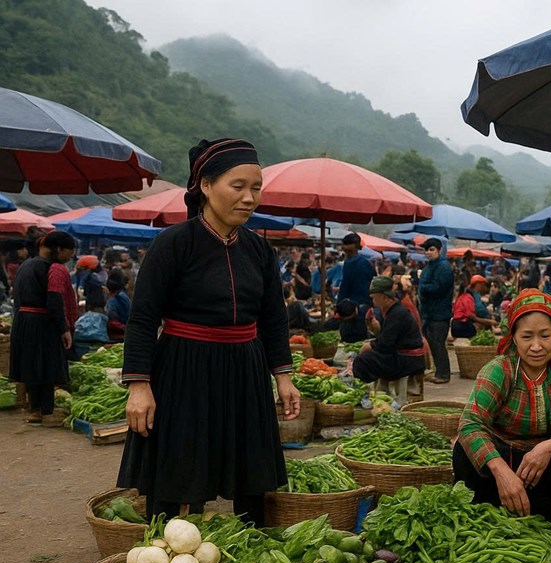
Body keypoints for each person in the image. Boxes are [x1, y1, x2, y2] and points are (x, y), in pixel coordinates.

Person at [117, 138, 300, 524]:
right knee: (179, 464)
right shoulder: (173, 244)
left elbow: (273, 318)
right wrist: (138, 384)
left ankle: (254, 546)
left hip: (245, 368)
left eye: (256, 188)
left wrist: (283, 376)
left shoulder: (258, 250)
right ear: (204, 185)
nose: (250, 198)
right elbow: (143, 317)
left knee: (250, 467)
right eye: (238, 186)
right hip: (184, 366)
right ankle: (166, 549)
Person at [455, 289, 551, 532]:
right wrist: (500, 470)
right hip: (507, 459)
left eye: (545, 336)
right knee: (463, 451)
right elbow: (470, 424)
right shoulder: (499, 369)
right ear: (513, 337)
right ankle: (487, 521)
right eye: (527, 336)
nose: (536, 346)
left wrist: (549, 446)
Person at [8, 232, 78, 426]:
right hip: (42, 320)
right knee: (45, 365)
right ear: (58, 249)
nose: (69, 257)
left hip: (23, 319)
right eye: (69, 252)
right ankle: (43, 411)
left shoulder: (26, 265)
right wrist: (64, 328)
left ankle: (35, 409)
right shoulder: (52, 269)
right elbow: (55, 301)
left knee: (32, 364)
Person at [353, 276, 426, 384]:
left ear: (385, 297)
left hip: (408, 360)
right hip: (404, 356)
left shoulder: (397, 313)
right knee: (367, 357)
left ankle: (364, 392)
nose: (373, 301)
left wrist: (371, 345)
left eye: (374, 298)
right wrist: (377, 330)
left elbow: (385, 345)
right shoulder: (392, 311)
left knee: (361, 361)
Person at [418, 237, 454, 384]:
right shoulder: (429, 266)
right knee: (433, 343)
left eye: (431, 249)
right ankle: (439, 371)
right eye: (426, 250)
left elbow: (439, 288)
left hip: (440, 313)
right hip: (428, 313)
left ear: (440, 250)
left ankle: (444, 374)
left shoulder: (443, 267)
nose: (428, 253)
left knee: (438, 343)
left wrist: (423, 286)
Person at [337, 233, 376, 315]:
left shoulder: (350, 263)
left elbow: (345, 286)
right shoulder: (367, 263)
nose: (347, 253)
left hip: (354, 306)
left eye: (349, 251)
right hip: (368, 303)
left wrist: (338, 305)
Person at [106, 272, 131, 341]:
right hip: (127, 332)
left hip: (118, 336)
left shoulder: (113, 301)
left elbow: (112, 321)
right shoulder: (124, 296)